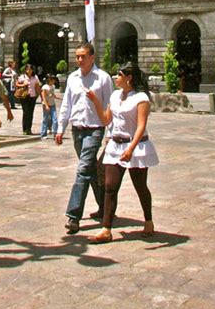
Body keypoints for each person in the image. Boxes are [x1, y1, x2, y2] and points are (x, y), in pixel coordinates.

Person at [86, 61, 159, 244]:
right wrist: (95, 100)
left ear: (129, 77)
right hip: (115, 145)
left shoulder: (141, 98)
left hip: (136, 147)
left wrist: (131, 149)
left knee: (140, 186)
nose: (115, 78)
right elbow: (105, 120)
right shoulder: (115, 95)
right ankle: (106, 229)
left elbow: (141, 126)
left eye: (118, 75)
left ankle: (148, 221)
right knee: (110, 186)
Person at [55, 43, 113, 234]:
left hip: (95, 129)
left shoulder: (103, 78)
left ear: (92, 57)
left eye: (83, 56)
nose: (79, 60)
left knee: (82, 169)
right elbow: (66, 105)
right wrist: (60, 128)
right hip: (77, 130)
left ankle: (73, 216)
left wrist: (111, 133)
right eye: (77, 56)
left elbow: (111, 107)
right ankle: (105, 206)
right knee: (91, 170)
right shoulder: (72, 78)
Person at [16, 64, 41, 135]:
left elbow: (37, 87)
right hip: (24, 96)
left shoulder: (35, 77)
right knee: (26, 112)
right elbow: (16, 84)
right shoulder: (22, 77)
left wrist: (39, 95)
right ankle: (25, 128)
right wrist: (23, 85)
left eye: (30, 69)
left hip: (32, 96)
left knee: (31, 113)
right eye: (27, 69)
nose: (28, 71)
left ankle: (29, 128)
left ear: (32, 70)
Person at [41, 74, 58, 139]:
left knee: (55, 119)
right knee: (45, 119)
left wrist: (54, 96)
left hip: (52, 104)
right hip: (47, 105)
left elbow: (53, 94)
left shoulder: (53, 86)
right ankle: (43, 134)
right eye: (52, 79)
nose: (53, 81)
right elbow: (44, 97)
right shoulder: (45, 87)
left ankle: (55, 133)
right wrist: (46, 105)